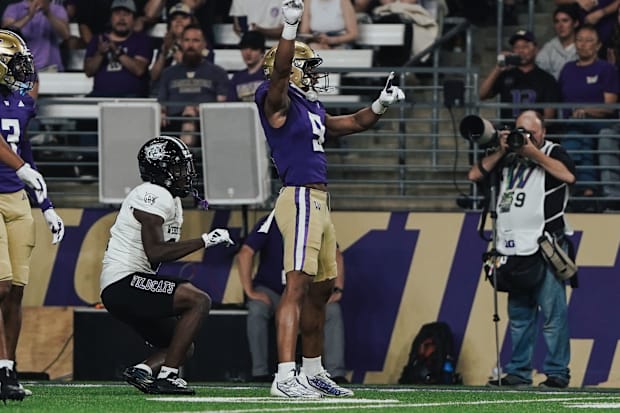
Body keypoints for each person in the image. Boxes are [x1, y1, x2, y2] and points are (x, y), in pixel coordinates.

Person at [256, 0, 404, 398]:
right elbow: (282, 72)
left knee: (322, 290)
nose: (316, 75)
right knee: (297, 287)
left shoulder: (309, 108)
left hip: (320, 203)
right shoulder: (275, 100)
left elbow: (353, 123)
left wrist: (380, 104)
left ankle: (313, 370)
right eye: (311, 68)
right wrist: (290, 27)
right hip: (300, 197)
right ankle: (285, 376)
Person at [99, 135, 234, 395]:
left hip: (128, 284)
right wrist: (206, 240)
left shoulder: (169, 199)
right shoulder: (153, 193)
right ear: (161, 170)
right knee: (199, 300)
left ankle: (144, 370)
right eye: (179, 167)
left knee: (181, 346)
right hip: (123, 282)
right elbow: (156, 252)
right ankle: (169, 377)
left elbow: (158, 254)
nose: (187, 173)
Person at [467, 110, 575, 389]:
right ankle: (519, 371)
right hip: (510, 248)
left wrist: (532, 152)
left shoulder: (554, 151)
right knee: (519, 315)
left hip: (545, 244)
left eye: (531, 132)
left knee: (553, 314)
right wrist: (503, 149)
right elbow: (475, 174)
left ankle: (557, 372)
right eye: (521, 131)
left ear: (542, 132)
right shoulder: (508, 155)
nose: (525, 137)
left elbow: (568, 177)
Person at [0, 29, 58, 402]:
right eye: (17, 62)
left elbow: (25, 149)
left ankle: (9, 367)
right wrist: (20, 167)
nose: (24, 70)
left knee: (16, 292)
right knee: (0, 285)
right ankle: (0, 368)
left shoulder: (22, 104)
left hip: (18, 200)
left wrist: (46, 203)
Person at [236, 214, 348, 383]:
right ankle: (259, 372)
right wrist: (249, 291)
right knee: (257, 309)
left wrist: (337, 288)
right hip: (272, 291)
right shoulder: (272, 220)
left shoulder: (315, 221)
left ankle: (336, 373)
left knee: (332, 310)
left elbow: (336, 254)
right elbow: (245, 253)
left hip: (306, 292)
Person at [558, 23, 618, 206]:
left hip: (603, 122)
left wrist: (586, 111)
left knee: (579, 136)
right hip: (574, 122)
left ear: (598, 45)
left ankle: (590, 191)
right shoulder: (567, 69)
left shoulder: (607, 69)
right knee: (577, 136)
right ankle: (587, 192)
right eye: (579, 40)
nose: (583, 44)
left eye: (589, 40)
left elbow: (610, 107)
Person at [158, 24, 229, 146]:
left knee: (189, 118)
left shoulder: (218, 73)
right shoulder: (168, 73)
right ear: (180, 43)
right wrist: (162, 113)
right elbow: (162, 104)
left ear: (204, 44)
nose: (190, 45)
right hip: (173, 124)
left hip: (205, 123)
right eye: (186, 40)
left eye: (195, 41)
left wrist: (197, 110)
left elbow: (221, 107)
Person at [479, 29, 561, 124]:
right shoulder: (505, 74)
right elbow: (482, 94)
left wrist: (533, 129)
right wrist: (498, 68)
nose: (521, 51)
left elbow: (549, 116)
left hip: (533, 132)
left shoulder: (546, 79)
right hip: (508, 131)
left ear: (536, 50)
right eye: (516, 47)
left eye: (525, 46)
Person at [83, 0, 153, 98]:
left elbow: (139, 70)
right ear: (111, 18)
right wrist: (100, 53)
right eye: (117, 14)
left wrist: (117, 52)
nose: (121, 18)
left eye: (126, 14)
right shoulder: (97, 40)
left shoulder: (142, 40)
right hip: (100, 97)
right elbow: (88, 72)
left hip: (132, 98)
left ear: (133, 19)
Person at [1, 0, 70, 72]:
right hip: (21, 70)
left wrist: (48, 13)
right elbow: (6, 35)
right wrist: (29, 16)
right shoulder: (14, 8)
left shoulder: (57, 9)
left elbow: (66, 35)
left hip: (51, 68)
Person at [535, 4, 581, 80]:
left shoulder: (584, 46)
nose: (560, 25)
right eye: (557, 21)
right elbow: (540, 76)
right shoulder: (548, 48)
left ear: (575, 23)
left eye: (565, 21)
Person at [227, 30, 266, 102]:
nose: (248, 53)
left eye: (254, 48)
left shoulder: (270, 75)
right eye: (244, 48)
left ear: (262, 52)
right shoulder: (237, 78)